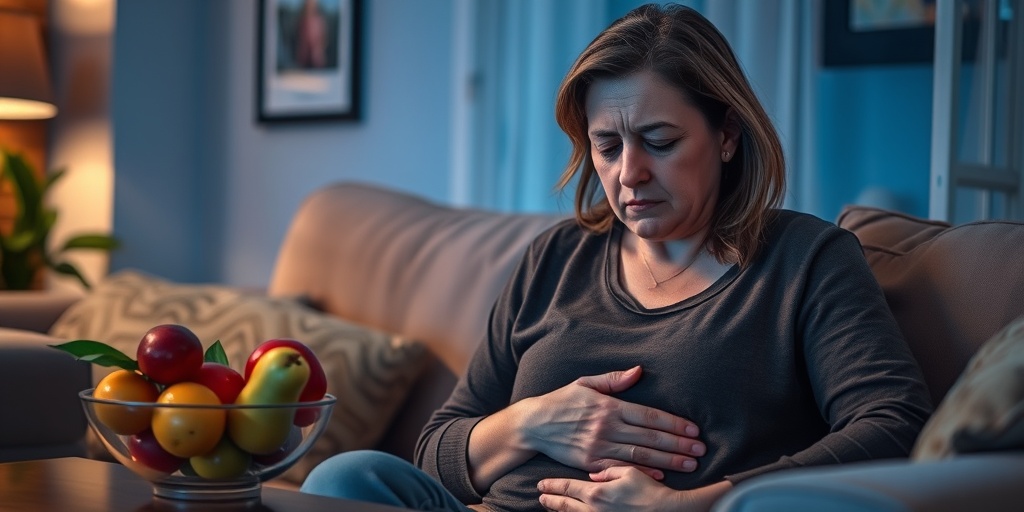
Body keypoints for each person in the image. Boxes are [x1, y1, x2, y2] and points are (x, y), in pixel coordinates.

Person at [300, 4, 932, 511]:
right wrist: (533, 422)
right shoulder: (556, 257)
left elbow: (893, 424)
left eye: (660, 141)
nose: (630, 173)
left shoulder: (806, 260)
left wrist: (702, 504)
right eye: (607, 146)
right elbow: (437, 447)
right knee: (347, 477)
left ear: (728, 135)